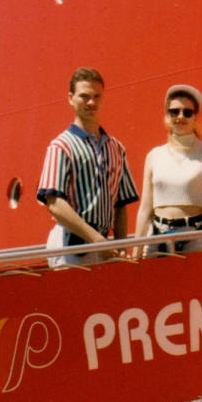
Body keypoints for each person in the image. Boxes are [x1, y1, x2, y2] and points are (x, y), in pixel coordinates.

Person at [37, 68, 138, 267]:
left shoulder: (116, 148)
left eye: (96, 96)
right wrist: (95, 239)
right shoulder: (60, 146)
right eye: (84, 96)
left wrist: (121, 246)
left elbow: (121, 204)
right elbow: (54, 203)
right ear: (71, 98)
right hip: (70, 246)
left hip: (104, 246)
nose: (91, 102)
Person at [134, 84, 202, 255]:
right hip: (156, 239)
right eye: (174, 112)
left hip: (193, 239)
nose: (180, 117)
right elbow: (145, 210)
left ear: (195, 117)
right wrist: (136, 253)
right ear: (167, 116)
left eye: (187, 112)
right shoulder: (154, 156)